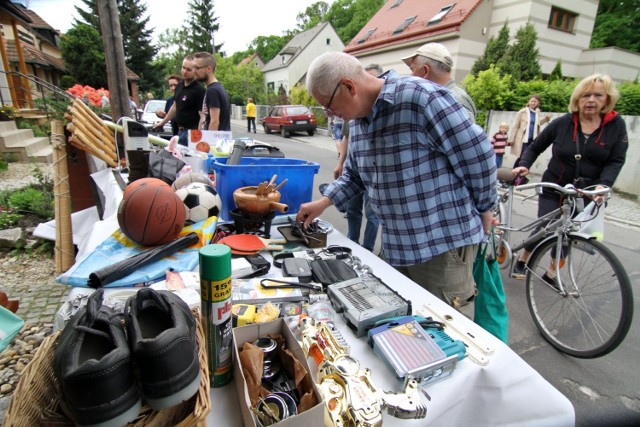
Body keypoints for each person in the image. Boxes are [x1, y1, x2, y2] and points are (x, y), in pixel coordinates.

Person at [299, 52, 496, 317]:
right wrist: (323, 203)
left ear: (348, 86)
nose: (331, 115)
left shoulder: (421, 98)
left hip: (441, 250)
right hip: (397, 249)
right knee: (402, 330)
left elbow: (478, 156)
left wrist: (486, 209)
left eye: (329, 106)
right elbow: (355, 175)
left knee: (445, 333)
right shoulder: (358, 123)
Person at [511, 74, 628, 280]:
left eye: (598, 95)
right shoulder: (563, 123)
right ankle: (524, 258)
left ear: (607, 99)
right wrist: (524, 166)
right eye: (585, 95)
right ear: (577, 99)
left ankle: (552, 272)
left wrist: (604, 185)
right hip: (556, 187)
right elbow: (535, 147)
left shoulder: (616, 125)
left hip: (588, 193)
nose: (591, 100)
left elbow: (616, 160)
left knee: (568, 236)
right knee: (546, 229)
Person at [333, 63, 383, 252]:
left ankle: (367, 250)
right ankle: (352, 245)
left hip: (374, 178)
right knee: (353, 210)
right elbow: (346, 138)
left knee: (373, 214)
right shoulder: (352, 115)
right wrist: (340, 163)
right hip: (354, 171)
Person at [401, 42, 477, 123]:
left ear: (425, 70)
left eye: (412, 70)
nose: (411, 76)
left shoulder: (454, 101)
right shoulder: (447, 99)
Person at [154, 55, 206, 146]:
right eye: (183, 68)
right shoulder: (179, 86)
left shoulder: (199, 90)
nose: (184, 72)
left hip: (192, 133)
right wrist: (162, 123)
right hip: (179, 131)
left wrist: (198, 138)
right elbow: (174, 107)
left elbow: (202, 116)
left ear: (195, 70)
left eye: (188, 69)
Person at [509, 94, 552, 167]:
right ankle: (516, 175)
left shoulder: (537, 112)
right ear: (529, 101)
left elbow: (537, 123)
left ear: (538, 103)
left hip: (533, 139)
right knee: (522, 157)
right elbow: (515, 126)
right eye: (531, 101)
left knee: (528, 158)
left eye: (535, 102)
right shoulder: (522, 112)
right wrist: (512, 138)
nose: (533, 103)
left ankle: (519, 175)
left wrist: (546, 119)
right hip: (523, 140)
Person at [193, 51, 231, 131]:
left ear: (209, 69)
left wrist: (209, 142)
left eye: (197, 68)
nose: (194, 71)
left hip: (215, 142)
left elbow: (214, 121)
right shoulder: (219, 88)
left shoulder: (212, 91)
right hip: (222, 140)